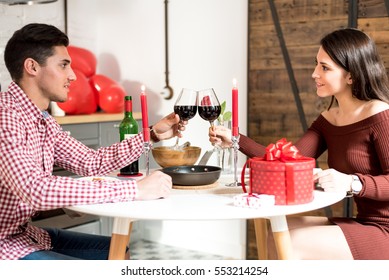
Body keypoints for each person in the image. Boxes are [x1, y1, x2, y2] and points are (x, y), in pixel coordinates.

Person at [0, 23, 186, 260]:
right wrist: (135, 189)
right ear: (32, 67)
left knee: (117, 251)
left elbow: (91, 162)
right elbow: (35, 189)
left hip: (24, 235)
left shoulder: (43, 120)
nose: (73, 75)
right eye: (63, 65)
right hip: (5, 245)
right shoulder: (6, 116)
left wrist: (151, 135)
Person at [209, 28, 389, 260]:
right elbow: (285, 159)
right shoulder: (329, 120)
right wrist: (236, 140)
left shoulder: (380, 115)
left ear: (351, 75)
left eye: (324, 68)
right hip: (364, 223)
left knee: (292, 243)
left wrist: (352, 183)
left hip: (384, 230)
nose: (314, 73)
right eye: (316, 64)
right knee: (275, 230)